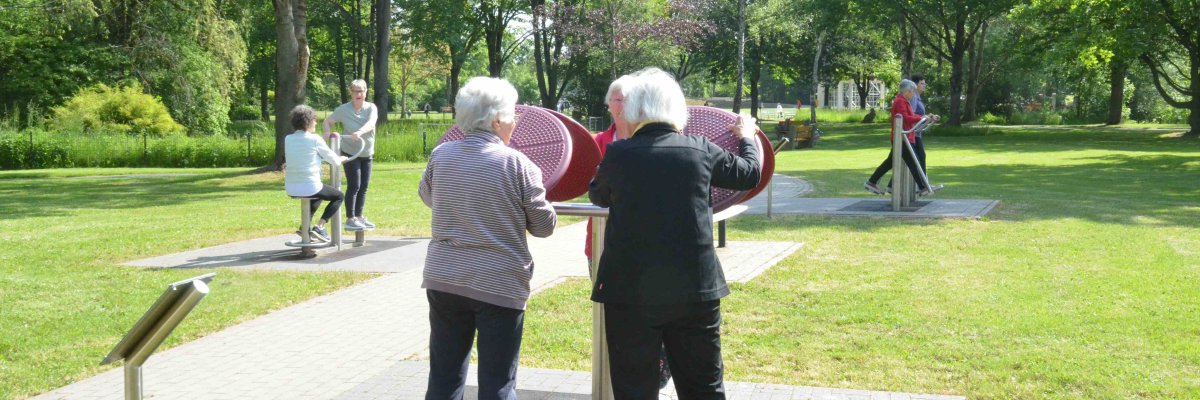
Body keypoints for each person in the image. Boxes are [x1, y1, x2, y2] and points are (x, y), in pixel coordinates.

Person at [589, 68, 760, 399]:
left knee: (634, 387)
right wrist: (747, 136)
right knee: (703, 387)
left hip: (630, 291)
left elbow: (598, 195)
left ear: (634, 108)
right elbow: (749, 174)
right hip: (694, 288)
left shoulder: (619, 153)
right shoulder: (700, 149)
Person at [419, 76, 557, 400]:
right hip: (499, 284)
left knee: (444, 376)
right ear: (496, 120)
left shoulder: (441, 155)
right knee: (498, 382)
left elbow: (428, 196)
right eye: (512, 115)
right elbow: (544, 225)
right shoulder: (519, 164)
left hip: (444, 278)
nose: (515, 123)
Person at [284, 105, 348, 242]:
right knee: (339, 196)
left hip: (291, 187)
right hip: (310, 186)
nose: (316, 122)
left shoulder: (288, 139)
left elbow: (304, 155)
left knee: (318, 196)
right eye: (314, 119)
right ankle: (320, 226)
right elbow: (334, 160)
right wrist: (341, 159)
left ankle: (304, 227)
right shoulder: (315, 139)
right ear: (308, 121)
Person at [323, 79, 378, 231]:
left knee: (364, 186)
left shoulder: (371, 107)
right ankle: (350, 218)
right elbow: (327, 121)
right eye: (355, 91)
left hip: (366, 152)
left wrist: (359, 132)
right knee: (355, 185)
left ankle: (359, 216)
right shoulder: (344, 109)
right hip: (350, 153)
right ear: (351, 93)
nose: (358, 94)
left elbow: (372, 123)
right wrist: (327, 132)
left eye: (361, 91)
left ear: (366, 92)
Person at [864, 79, 933, 196]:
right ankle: (922, 187)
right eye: (912, 92)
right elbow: (905, 118)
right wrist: (921, 118)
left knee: (890, 162)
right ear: (907, 91)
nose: (913, 94)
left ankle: (872, 181)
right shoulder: (900, 102)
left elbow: (911, 116)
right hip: (902, 138)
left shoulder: (903, 101)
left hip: (904, 137)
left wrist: (924, 117)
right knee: (913, 162)